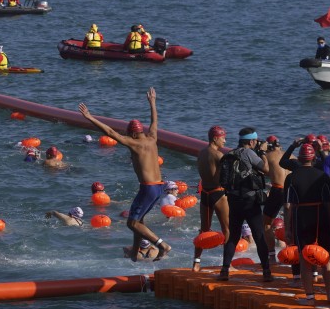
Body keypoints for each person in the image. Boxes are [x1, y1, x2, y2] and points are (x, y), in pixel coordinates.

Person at [77, 87, 171, 261]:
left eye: (129, 134)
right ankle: (135, 256)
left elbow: (111, 132)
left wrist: (90, 117)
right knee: (139, 222)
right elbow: (154, 122)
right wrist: (152, 103)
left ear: (133, 133)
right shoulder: (152, 138)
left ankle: (162, 245)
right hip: (158, 187)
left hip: (148, 188)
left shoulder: (134, 143)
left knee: (132, 223)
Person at [283, 142, 330, 304]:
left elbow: (287, 206)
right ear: (314, 159)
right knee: (326, 257)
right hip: (321, 217)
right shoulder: (322, 176)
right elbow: (329, 204)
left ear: (299, 159)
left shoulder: (291, 177)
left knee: (304, 258)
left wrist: (288, 228)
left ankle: (310, 297)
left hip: (301, 218)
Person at [218, 128, 272, 282]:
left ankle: (224, 270)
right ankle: (266, 272)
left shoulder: (229, 154)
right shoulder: (249, 153)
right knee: (259, 235)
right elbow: (266, 170)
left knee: (233, 237)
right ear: (251, 141)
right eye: (255, 141)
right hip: (249, 201)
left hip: (233, 201)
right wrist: (263, 154)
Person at [194, 125, 232, 271]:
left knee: (204, 230)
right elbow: (225, 178)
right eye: (223, 138)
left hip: (205, 194)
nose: (225, 141)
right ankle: (227, 265)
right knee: (228, 229)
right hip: (218, 193)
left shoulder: (201, 153)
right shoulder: (219, 155)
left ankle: (196, 263)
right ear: (215, 138)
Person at [261, 135, 290, 263]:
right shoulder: (291, 156)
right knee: (291, 225)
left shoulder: (268, 156)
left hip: (277, 190)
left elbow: (262, 170)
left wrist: (261, 152)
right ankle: (292, 254)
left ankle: (272, 256)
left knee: (266, 224)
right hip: (291, 191)